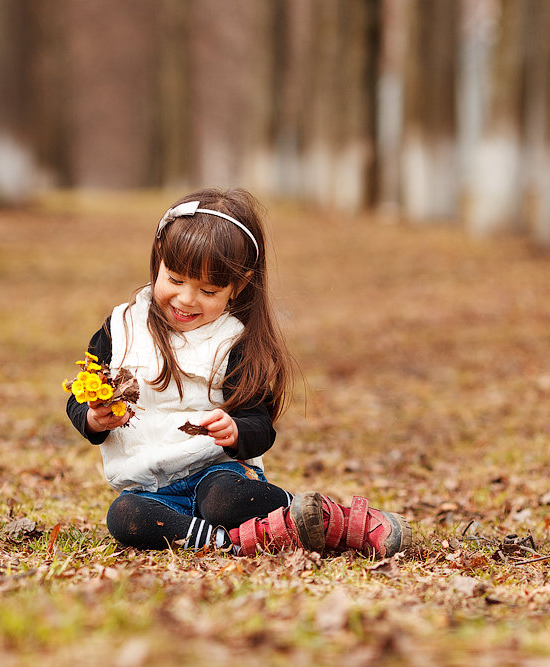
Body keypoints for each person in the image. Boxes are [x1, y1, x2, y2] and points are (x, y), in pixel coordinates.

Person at [66, 188, 411, 558]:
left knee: (224, 501)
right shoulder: (121, 327)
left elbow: (259, 424)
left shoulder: (233, 342)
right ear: (158, 259)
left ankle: (319, 517)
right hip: (151, 488)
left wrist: (234, 432)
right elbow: (78, 398)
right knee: (125, 516)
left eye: (208, 290)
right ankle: (233, 542)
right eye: (176, 279)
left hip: (218, 474)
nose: (186, 299)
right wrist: (93, 418)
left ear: (238, 286)